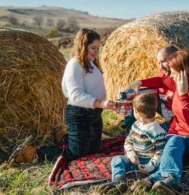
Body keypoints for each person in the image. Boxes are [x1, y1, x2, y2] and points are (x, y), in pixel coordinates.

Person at [8, 28, 115, 166]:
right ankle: (33, 154)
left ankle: (64, 137)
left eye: (98, 48)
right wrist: (101, 103)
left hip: (94, 114)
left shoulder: (92, 63)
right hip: (79, 114)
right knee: (76, 154)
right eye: (93, 48)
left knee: (94, 149)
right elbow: (76, 95)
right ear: (83, 46)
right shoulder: (75, 65)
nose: (96, 51)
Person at [127, 49, 189, 195]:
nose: (170, 76)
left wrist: (183, 95)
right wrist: (139, 82)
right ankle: (170, 179)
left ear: (186, 72)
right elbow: (160, 80)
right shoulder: (176, 82)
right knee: (173, 139)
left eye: (174, 73)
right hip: (178, 143)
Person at [99, 93, 166, 193]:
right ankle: (118, 180)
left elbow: (160, 152)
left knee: (163, 168)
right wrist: (131, 155)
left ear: (138, 113)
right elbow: (129, 141)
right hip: (135, 160)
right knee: (117, 159)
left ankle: (147, 181)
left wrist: (149, 166)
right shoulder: (136, 125)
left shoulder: (158, 132)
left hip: (150, 161)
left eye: (133, 110)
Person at [103, 45, 178, 135]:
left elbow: (163, 82)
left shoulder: (182, 79)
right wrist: (137, 90)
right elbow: (160, 81)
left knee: (153, 136)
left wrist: (140, 83)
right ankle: (127, 125)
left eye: (163, 61)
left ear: (176, 59)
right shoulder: (164, 73)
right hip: (164, 107)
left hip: (176, 122)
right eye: (159, 63)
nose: (161, 66)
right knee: (139, 97)